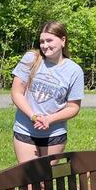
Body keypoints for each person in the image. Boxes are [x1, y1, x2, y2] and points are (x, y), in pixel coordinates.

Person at [10, 21, 84, 163]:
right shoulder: (31, 59)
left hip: (54, 134)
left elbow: (73, 107)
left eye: (49, 40)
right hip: (25, 130)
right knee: (29, 176)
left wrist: (49, 119)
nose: (45, 45)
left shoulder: (74, 71)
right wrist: (33, 116)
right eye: (42, 41)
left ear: (63, 40)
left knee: (46, 176)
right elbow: (16, 93)